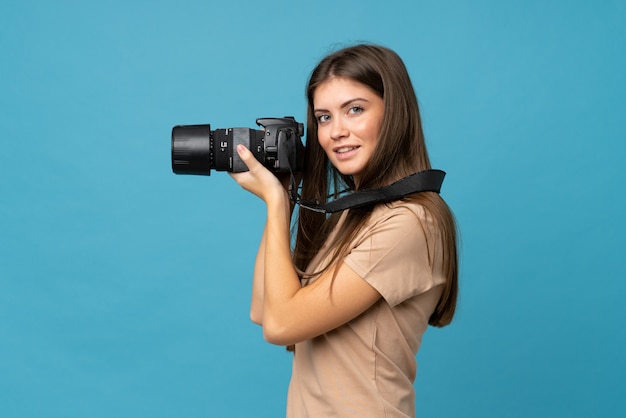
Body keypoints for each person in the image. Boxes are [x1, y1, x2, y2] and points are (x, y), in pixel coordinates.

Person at [230, 43, 458, 418]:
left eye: (355, 110)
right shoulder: (356, 215)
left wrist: (274, 202)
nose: (336, 132)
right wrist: (282, 200)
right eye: (323, 117)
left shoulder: (408, 222)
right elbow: (264, 309)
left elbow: (281, 325)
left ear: (394, 113)